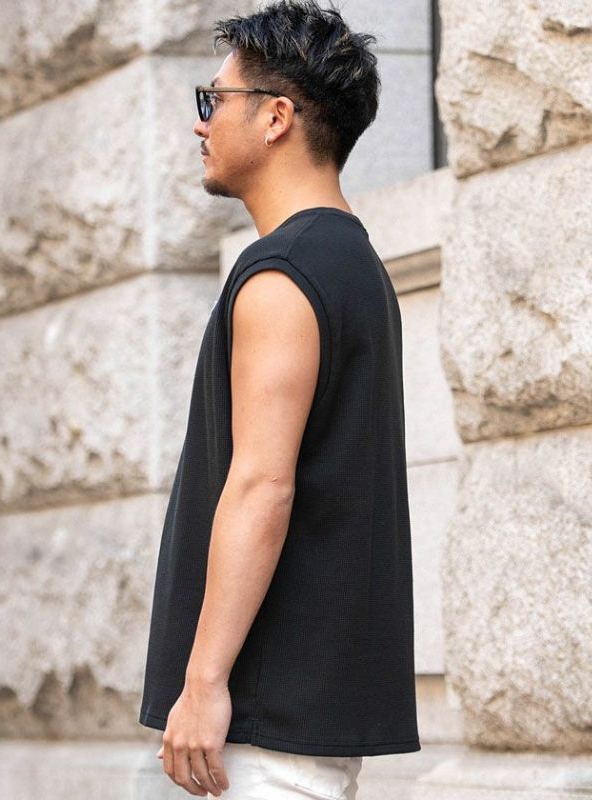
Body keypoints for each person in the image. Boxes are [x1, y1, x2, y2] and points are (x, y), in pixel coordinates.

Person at [138, 1, 420, 797]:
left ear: (275, 117)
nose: (200, 123)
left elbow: (263, 484)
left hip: (261, 730)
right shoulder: (352, 265)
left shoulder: (284, 273)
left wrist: (203, 682)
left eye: (213, 99)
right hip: (298, 722)